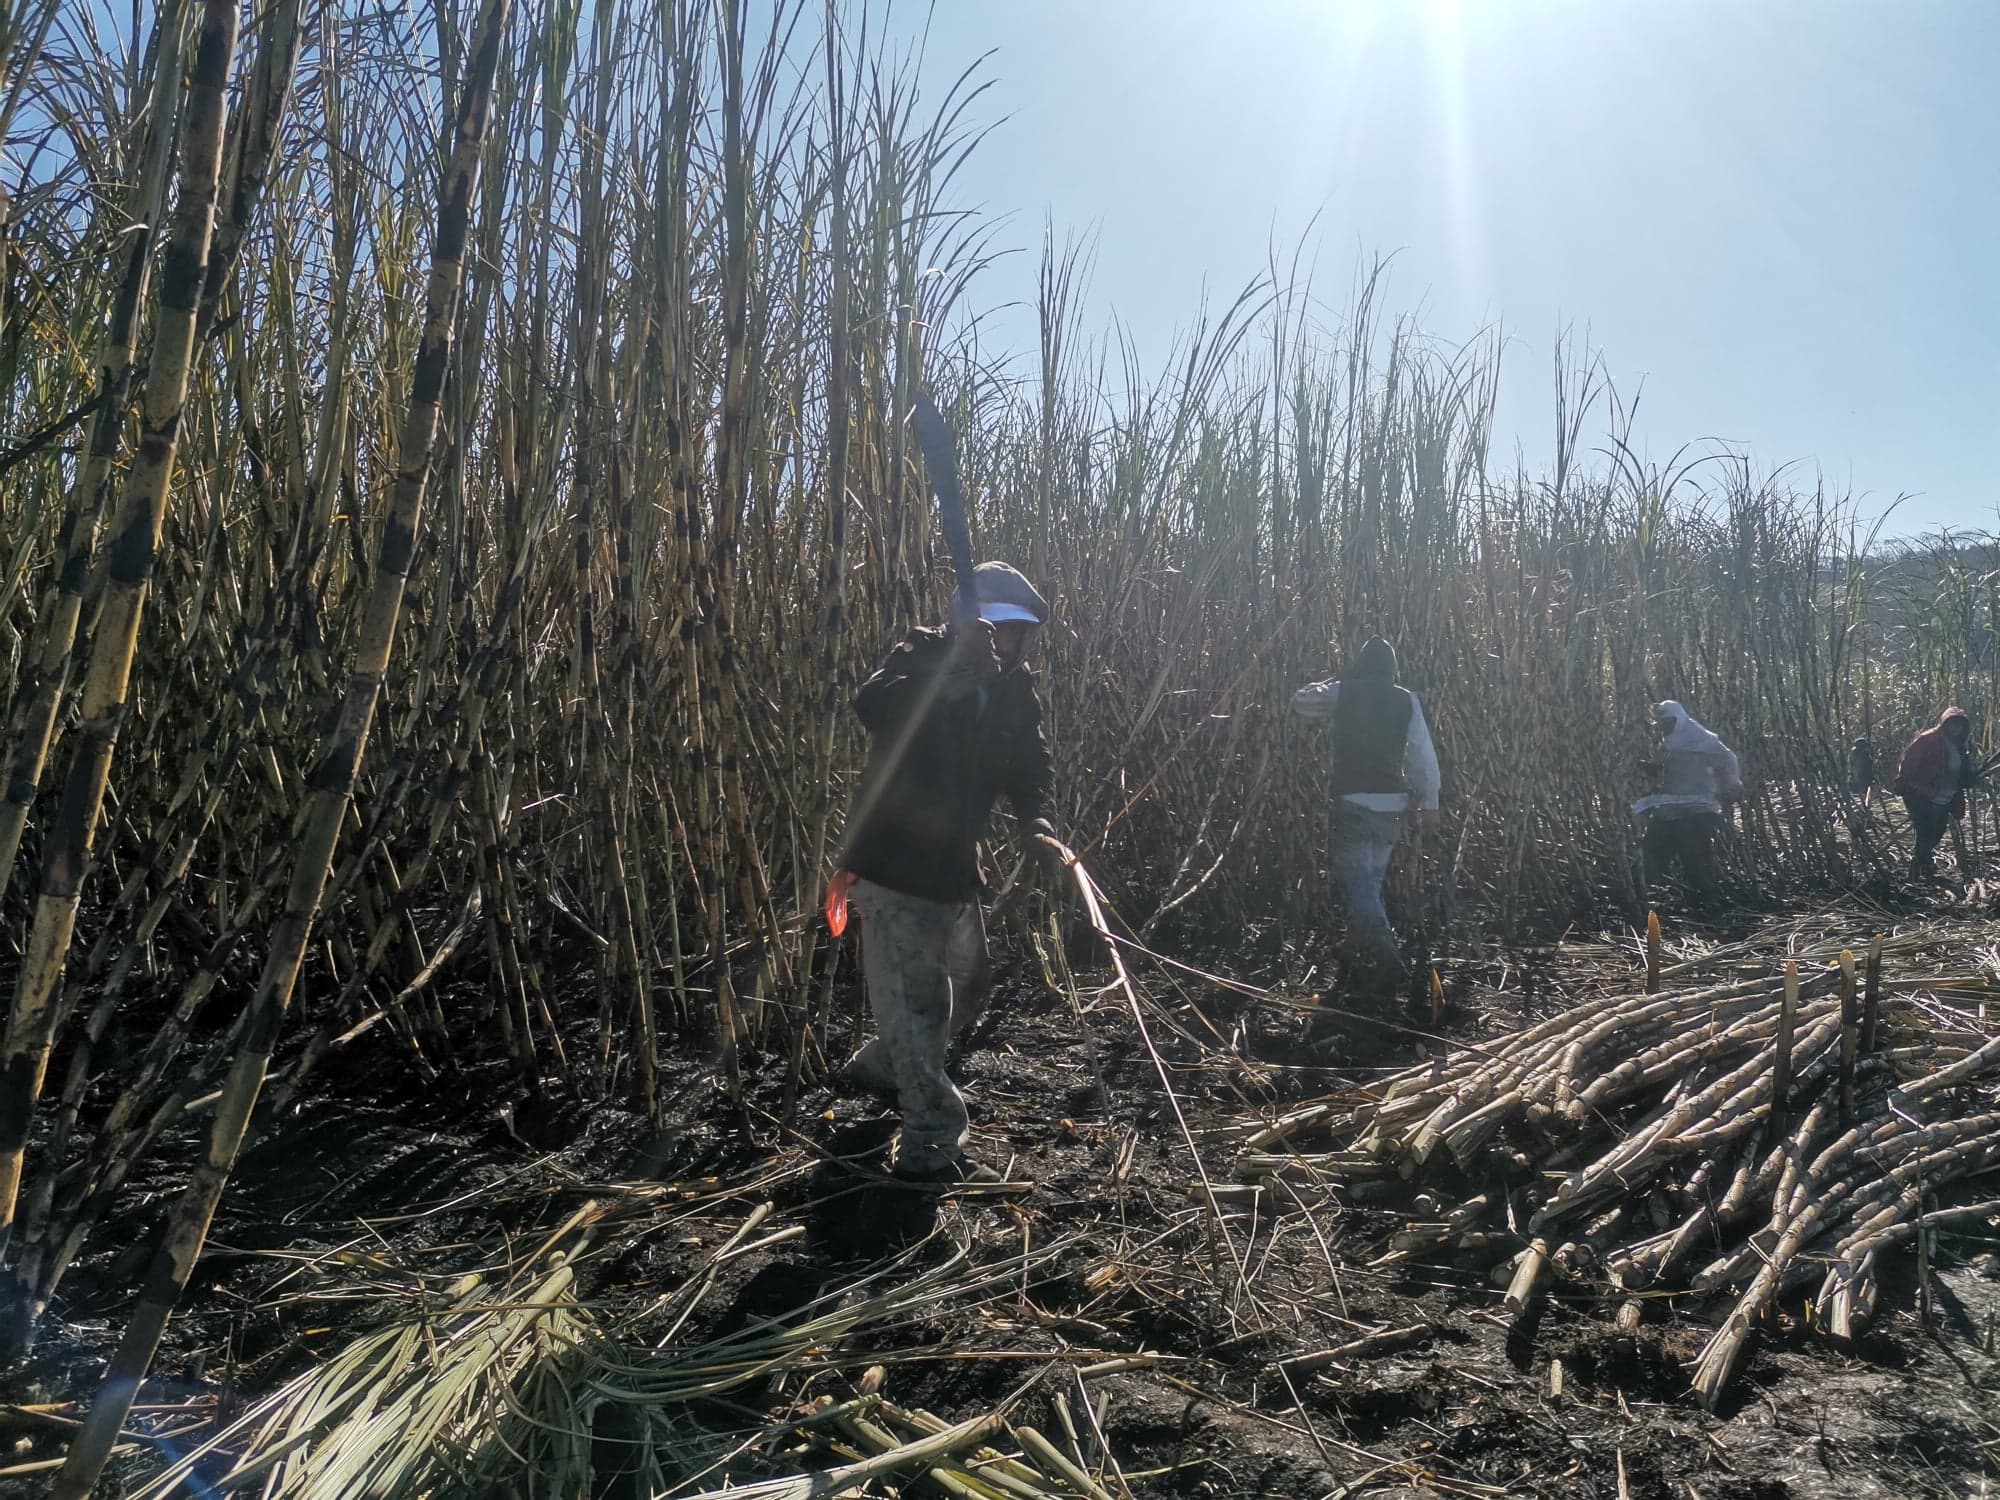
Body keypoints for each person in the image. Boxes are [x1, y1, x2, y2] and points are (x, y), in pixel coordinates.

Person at [834, 562, 1057, 1185]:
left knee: (969, 985)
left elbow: (1031, 764)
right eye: (998, 628)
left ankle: (885, 1065)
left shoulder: (1017, 689)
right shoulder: (920, 655)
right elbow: (875, 708)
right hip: (893, 868)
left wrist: (1036, 823)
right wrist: (956, 673)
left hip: (956, 870)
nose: (1008, 643)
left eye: (1021, 632)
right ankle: (930, 1141)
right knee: (921, 1007)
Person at [1290, 637, 1441, 986]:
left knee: (1359, 883)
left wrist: (1334, 681)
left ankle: (1388, 957)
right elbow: (1422, 755)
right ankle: (1353, 944)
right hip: (1393, 804)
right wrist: (1430, 803)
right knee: (1369, 880)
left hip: (1353, 800)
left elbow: (1300, 702)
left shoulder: (1344, 691)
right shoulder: (1407, 700)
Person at [1634, 700, 1742, 906]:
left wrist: (1730, 785)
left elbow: (1728, 760)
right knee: (1653, 848)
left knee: (1693, 851)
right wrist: (1649, 769)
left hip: (1700, 806)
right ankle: (1642, 898)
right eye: (1662, 723)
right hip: (1671, 805)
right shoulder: (1668, 743)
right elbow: (1661, 766)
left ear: (1679, 719)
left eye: (1668, 722)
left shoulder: (1702, 740)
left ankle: (1710, 899)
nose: (1665, 727)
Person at [1893, 708, 1974, 879]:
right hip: (1922, 796)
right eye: (1952, 724)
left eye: (1959, 725)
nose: (1955, 728)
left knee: (1937, 832)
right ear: (1945, 723)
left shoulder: (1959, 745)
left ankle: (1923, 864)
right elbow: (1907, 765)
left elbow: (1962, 772)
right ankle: (1917, 870)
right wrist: (1916, 786)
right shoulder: (1928, 739)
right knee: (1925, 832)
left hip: (1945, 797)